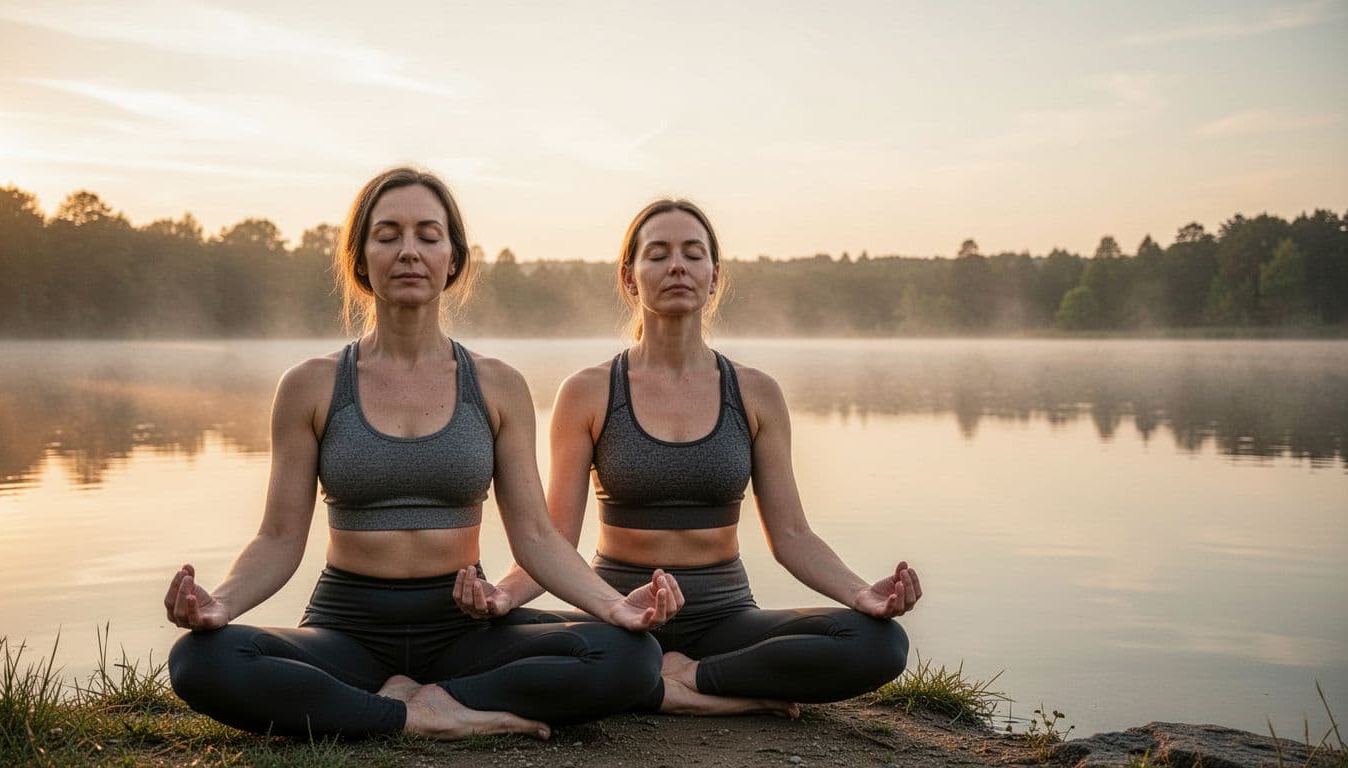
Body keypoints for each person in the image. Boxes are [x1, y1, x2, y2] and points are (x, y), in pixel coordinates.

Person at [163, 168, 683, 740]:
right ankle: (418, 717)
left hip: (461, 628)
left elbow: (536, 536)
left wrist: (615, 609)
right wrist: (221, 606)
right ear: (361, 259)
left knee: (630, 656)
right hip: (347, 625)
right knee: (200, 660)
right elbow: (279, 539)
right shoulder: (310, 386)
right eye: (388, 235)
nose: (409, 251)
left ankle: (427, 700)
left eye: (428, 235)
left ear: (453, 259)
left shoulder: (496, 385)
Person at [456, 199, 921, 717]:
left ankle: (687, 677)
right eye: (657, 254)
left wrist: (863, 595)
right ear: (630, 279)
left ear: (714, 276)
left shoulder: (755, 393)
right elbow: (554, 538)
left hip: (725, 619)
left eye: (692, 253)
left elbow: (792, 537)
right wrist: (501, 595)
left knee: (880, 643)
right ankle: (708, 691)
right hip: (619, 616)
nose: (677, 265)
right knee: (474, 637)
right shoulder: (587, 393)